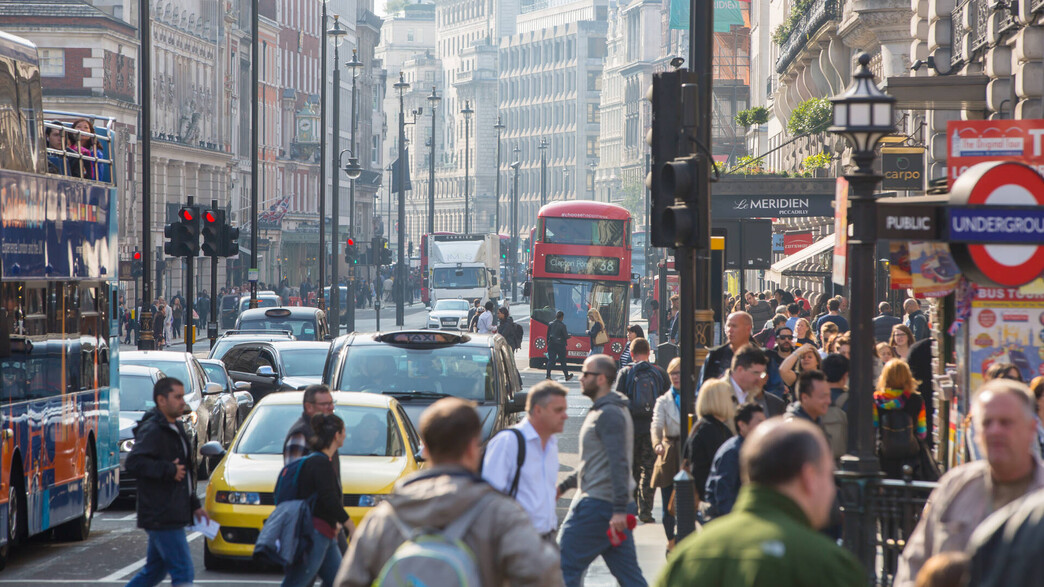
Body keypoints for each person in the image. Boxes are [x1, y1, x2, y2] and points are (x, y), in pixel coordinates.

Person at [335, 398, 562, 586]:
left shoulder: (386, 516)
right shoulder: (499, 514)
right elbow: (544, 574)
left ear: (425, 448)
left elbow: (349, 580)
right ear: (473, 447)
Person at [656, 418, 865, 586]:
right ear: (809, 477)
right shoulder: (829, 566)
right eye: (829, 475)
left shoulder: (688, 558)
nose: (833, 488)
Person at [894, 379, 1044, 586]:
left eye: (1006, 422)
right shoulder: (955, 486)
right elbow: (913, 565)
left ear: (1031, 429)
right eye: (986, 423)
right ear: (976, 434)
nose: (995, 431)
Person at [556, 354, 645, 587]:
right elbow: (594, 463)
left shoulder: (609, 414)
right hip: (609, 506)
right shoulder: (606, 410)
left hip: (599, 506)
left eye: (586, 373)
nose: (581, 378)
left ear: (602, 379)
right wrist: (564, 486)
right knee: (630, 577)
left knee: (562, 567)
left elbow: (619, 462)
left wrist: (618, 510)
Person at [123, 377, 209, 587]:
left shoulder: (175, 426)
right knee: (183, 572)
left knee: (154, 571)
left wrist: (195, 506)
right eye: (177, 397)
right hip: (162, 513)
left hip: (171, 511)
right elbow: (134, 462)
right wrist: (168, 470)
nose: (183, 402)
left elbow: (186, 473)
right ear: (161, 400)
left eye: (182, 397)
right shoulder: (153, 429)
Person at [482, 381, 568, 540]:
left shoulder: (551, 444)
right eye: (558, 410)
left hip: (546, 538)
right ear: (538, 410)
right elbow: (488, 498)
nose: (565, 416)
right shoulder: (508, 442)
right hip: (515, 539)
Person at [282, 414, 351, 587]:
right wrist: (350, 525)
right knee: (296, 582)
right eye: (344, 431)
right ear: (336, 435)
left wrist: (335, 523)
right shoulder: (320, 464)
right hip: (316, 534)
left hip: (326, 532)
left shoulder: (320, 461)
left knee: (339, 581)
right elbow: (329, 499)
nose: (345, 435)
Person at [616, 338, 669, 523]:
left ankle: (631, 510)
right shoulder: (659, 373)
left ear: (631, 354)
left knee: (632, 470)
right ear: (649, 352)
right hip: (652, 430)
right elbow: (666, 401)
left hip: (630, 430)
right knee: (649, 469)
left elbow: (618, 402)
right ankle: (646, 510)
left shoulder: (625, 373)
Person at [682, 379, 736, 517]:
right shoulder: (709, 430)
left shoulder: (707, 426)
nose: (732, 402)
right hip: (713, 504)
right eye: (730, 397)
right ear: (720, 400)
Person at [703, 402, 766, 519]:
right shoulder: (732, 452)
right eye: (759, 422)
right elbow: (723, 494)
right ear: (742, 425)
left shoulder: (754, 449)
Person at [873, 359, 929, 480]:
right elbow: (922, 433)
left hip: (884, 458)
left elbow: (874, 427)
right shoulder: (916, 400)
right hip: (910, 458)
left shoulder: (876, 401)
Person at [650, 357, 682, 552]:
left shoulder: (695, 396)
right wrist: (657, 443)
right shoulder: (663, 401)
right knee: (667, 506)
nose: (676, 377)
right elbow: (656, 425)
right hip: (669, 453)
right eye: (672, 373)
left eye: (679, 373)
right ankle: (671, 542)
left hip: (688, 452)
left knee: (689, 504)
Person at [698, 311, 756, 387]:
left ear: (748, 329)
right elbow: (702, 388)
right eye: (728, 326)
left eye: (734, 326)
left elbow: (770, 388)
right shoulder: (715, 355)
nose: (730, 330)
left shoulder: (763, 357)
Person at [821, 353, 851, 461]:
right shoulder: (852, 401)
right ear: (845, 376)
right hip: (844, 460)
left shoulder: (813, 399)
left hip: (819, 459)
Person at [545, 310, 572, 381]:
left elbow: (547, 335)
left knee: (551, 360)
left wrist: (548, 344)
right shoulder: (563, 325)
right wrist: (569, 336)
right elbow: (565, 336)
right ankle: (567, 376)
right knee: (562, 361)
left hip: (551, 344)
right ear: (562, 317)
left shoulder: (550, 324)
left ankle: (548, 375)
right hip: (560, 345)